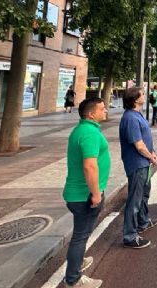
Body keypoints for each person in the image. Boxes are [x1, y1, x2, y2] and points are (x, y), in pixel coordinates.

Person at [62, 98, 110, 288]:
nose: (105, 110)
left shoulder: (82, 129)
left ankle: (78, 260)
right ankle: (73, 280)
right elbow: (90, 166)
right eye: (102, 108)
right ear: (91, 114)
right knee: (80, 236)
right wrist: (96, 193)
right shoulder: (89, 133)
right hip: (85, 195)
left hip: (80, 194)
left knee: (82, 234)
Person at [119, 87, 157, 249]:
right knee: (135, 200)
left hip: (144, 162)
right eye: (142, 94)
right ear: (135, 99)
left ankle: (143, 221)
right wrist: (150, 156)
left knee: (144, 194)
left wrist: (153, 152)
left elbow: (145, 139)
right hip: (137, 163)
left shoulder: (137, 115)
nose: (145, 96)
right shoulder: (130, 118)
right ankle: (129, 236)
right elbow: (138, 144)